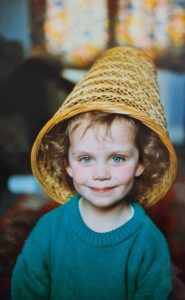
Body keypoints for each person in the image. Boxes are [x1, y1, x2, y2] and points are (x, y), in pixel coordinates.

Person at [11, 46, 177, 299]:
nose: (101, 173)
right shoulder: (49, 229)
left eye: (117, 158)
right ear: (67, 164)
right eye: (86, 158)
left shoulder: (147, 240)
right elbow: (26, 288)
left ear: (141, 164)